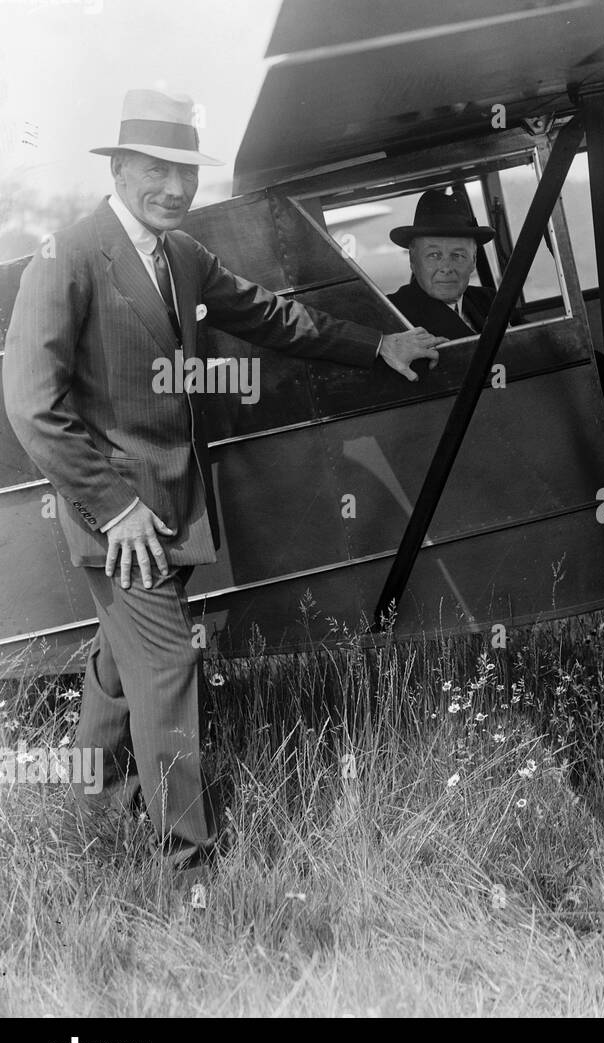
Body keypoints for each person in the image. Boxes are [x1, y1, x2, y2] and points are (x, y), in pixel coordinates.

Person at [3, 89, 441, 871]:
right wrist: (116, 509)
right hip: (121, 519)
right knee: (168, 666)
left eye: (186, 173)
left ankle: (95, 809)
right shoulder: (65, 257)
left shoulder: (180, 255)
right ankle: (189, 866)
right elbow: (33, 407)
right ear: (121, 166)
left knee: (121, 657)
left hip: (168, 505)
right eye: (158, 170)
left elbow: (271, 316)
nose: (175, 188)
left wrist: (378, 346)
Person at [387, 188, 604, 457]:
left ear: (474, 261)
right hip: (470, 454)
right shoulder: (393, 314)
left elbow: (555, 347)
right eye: (434, 255)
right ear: (413, 261)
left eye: (458, 255)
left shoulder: (489, 300)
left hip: (529, 430)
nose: (447, 267)